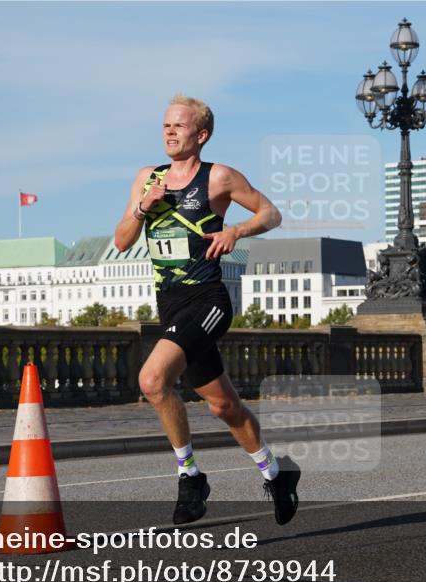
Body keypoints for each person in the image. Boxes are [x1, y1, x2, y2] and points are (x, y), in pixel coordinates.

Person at [114, 95, 300, 526]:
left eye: (179, 126)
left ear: (201, 135)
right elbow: (123, 240)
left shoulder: (219, 178)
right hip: (171, 304)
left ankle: (190, 476)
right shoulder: (147, 177)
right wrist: (144, 207)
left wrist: (237, 228)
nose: (169, 132)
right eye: (165, 126)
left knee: (153, 379)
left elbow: (270, 213)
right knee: (223, 407)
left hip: (208, 301)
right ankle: (276, 474)